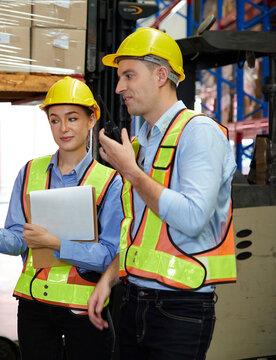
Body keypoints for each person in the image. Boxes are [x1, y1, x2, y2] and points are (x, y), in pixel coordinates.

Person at [0, 76, 123, 360]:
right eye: (54, 119)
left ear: (91, 120)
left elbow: (111, 255)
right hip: (35, 307)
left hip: (85, 309)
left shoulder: (110, 182)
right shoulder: (30, 172)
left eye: (72, 118)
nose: (63, 128)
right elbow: (18, 241)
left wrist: (55, 242)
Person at [87, 27, 237, 360]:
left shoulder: (199, 133)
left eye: (128, 75)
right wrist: (108, 280)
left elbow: (193, 218)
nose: (119, 87)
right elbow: (141, 235)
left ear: (160, 75)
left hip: (180, 308)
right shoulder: (142, 142)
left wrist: (131, 172)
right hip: (134, 299)